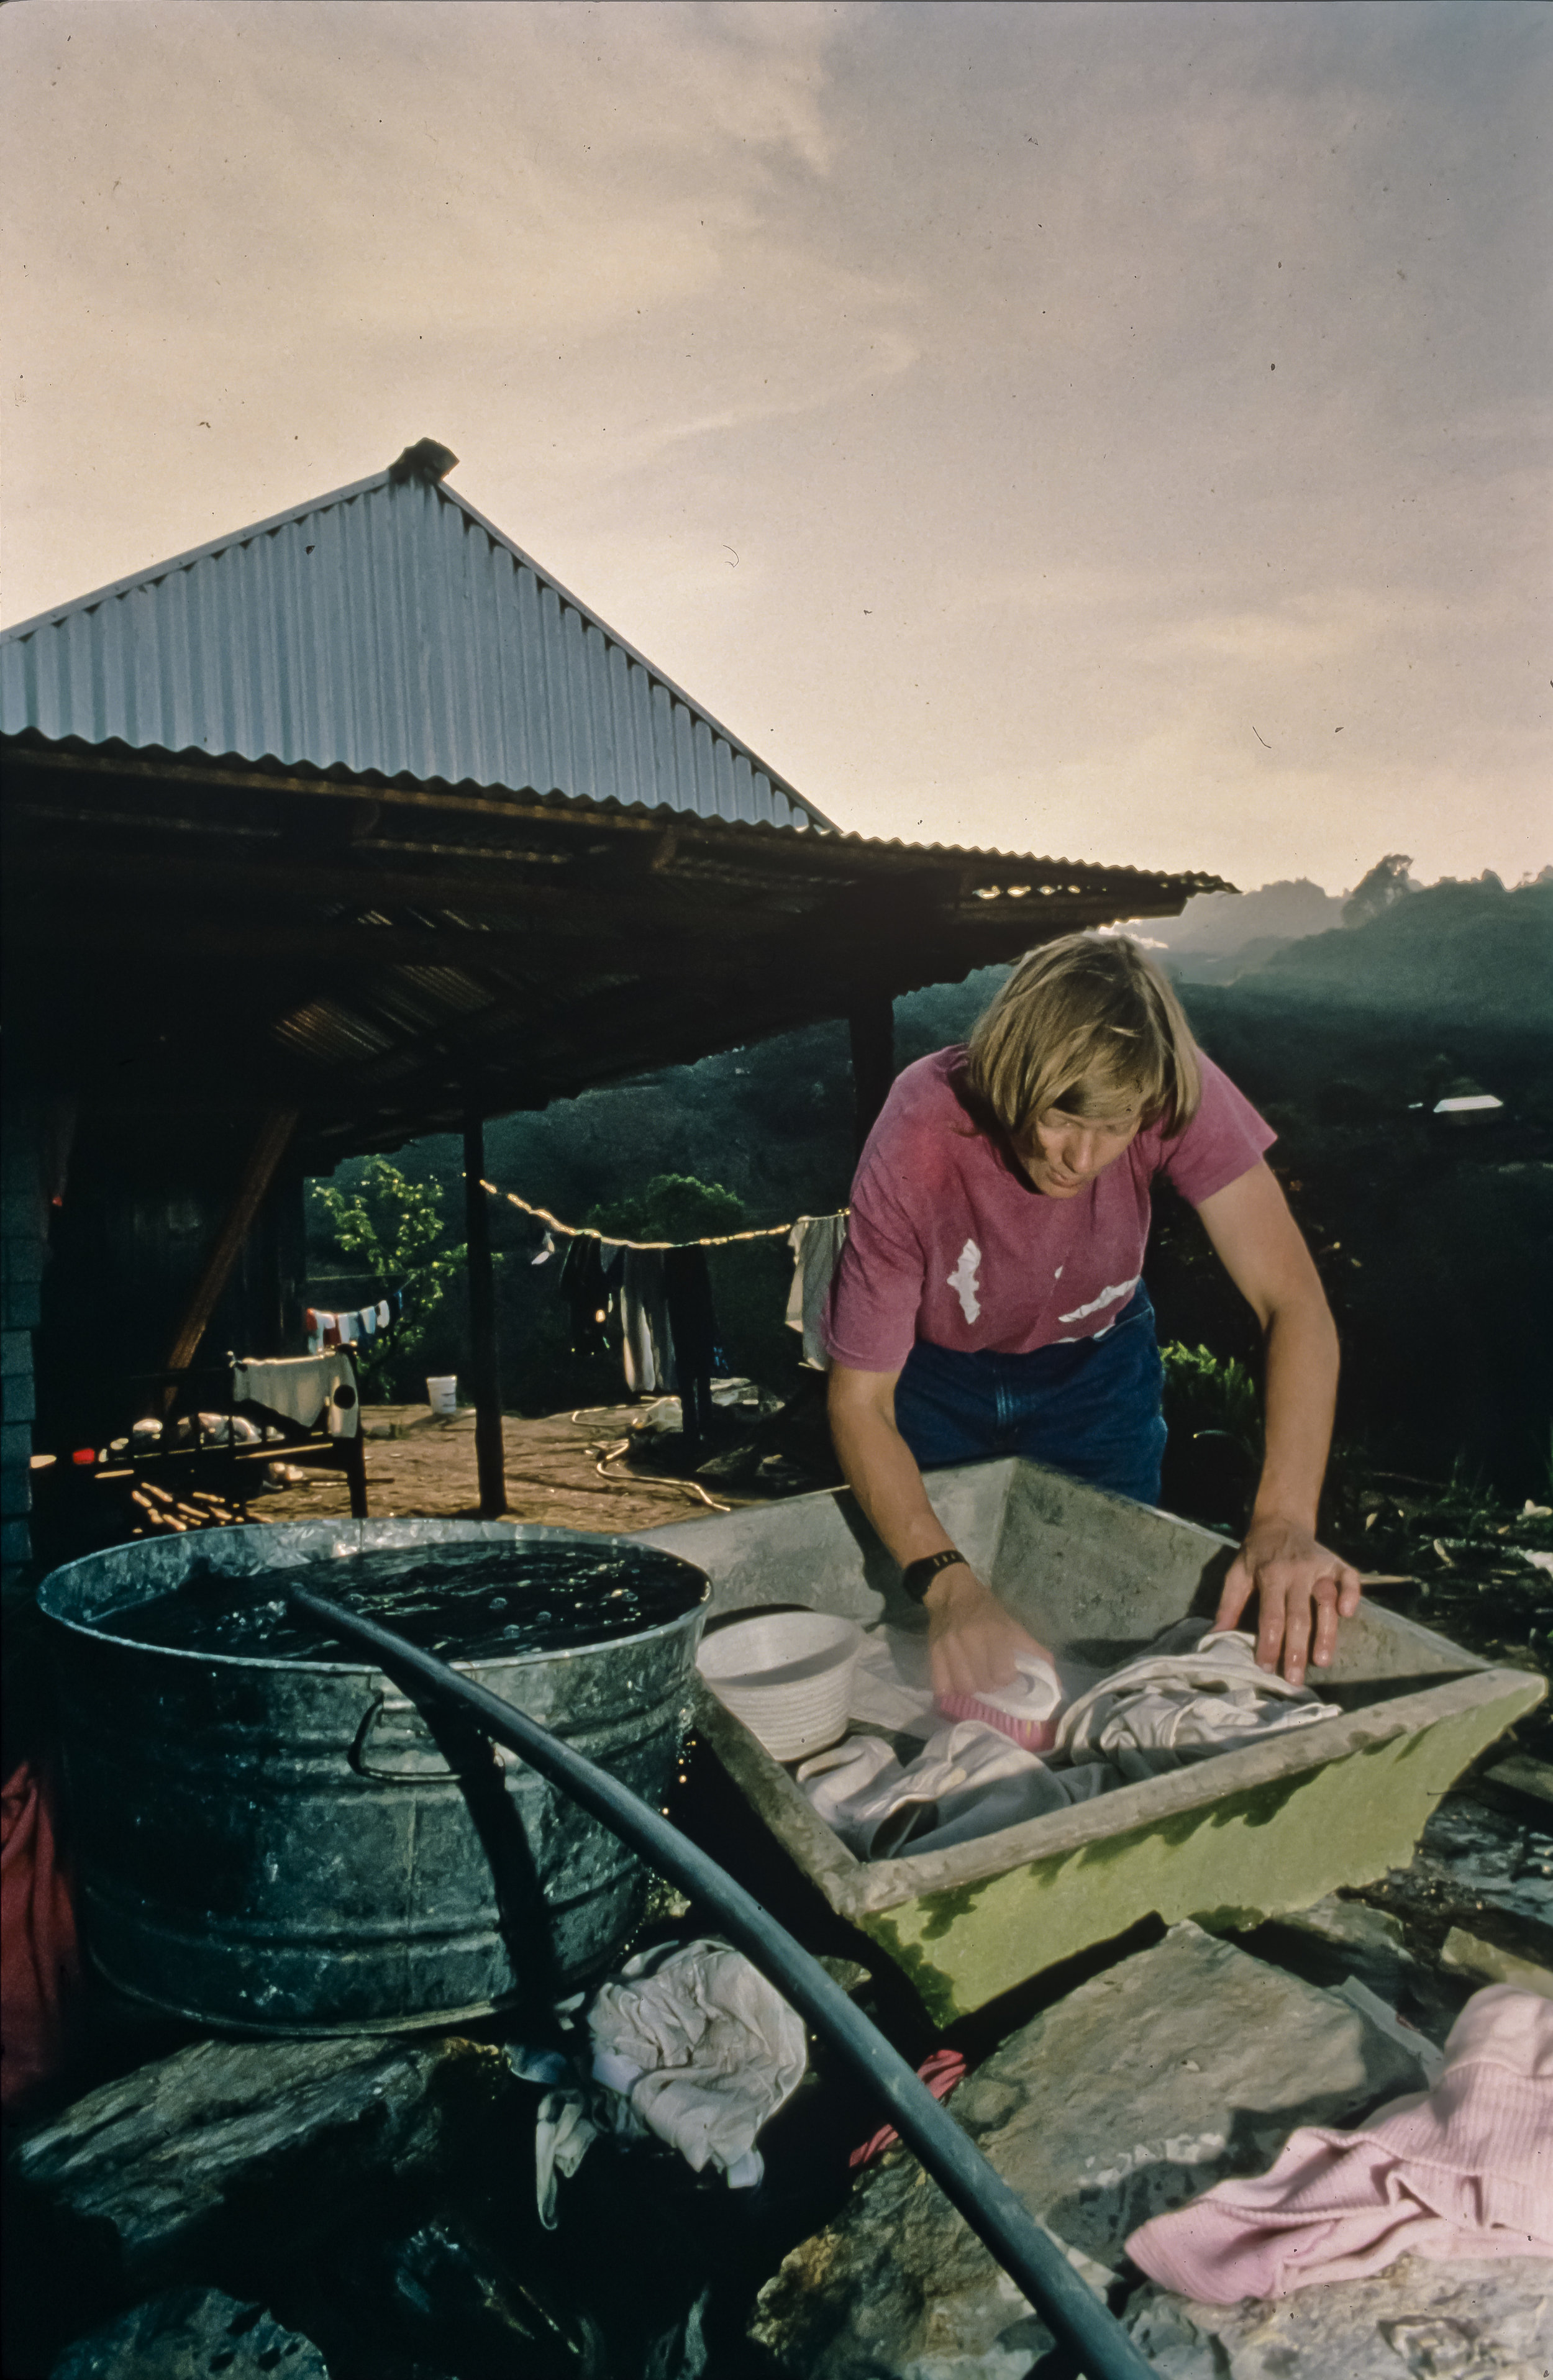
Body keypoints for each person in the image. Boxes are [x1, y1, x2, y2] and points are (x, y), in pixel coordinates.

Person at [824, 935, 1361, 1699]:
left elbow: (1294, 1302)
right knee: (939, 1629)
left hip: (1096, 1366)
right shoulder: (918, 1133)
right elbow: (859, 1400)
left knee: (1096, 1620)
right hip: (934, 1376)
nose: (1082, 1156)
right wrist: (948, 1586)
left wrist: (1282, 1520)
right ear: (1011, 1073)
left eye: (1115, 1127)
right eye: (1059, 1119)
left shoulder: (1167, 1085)